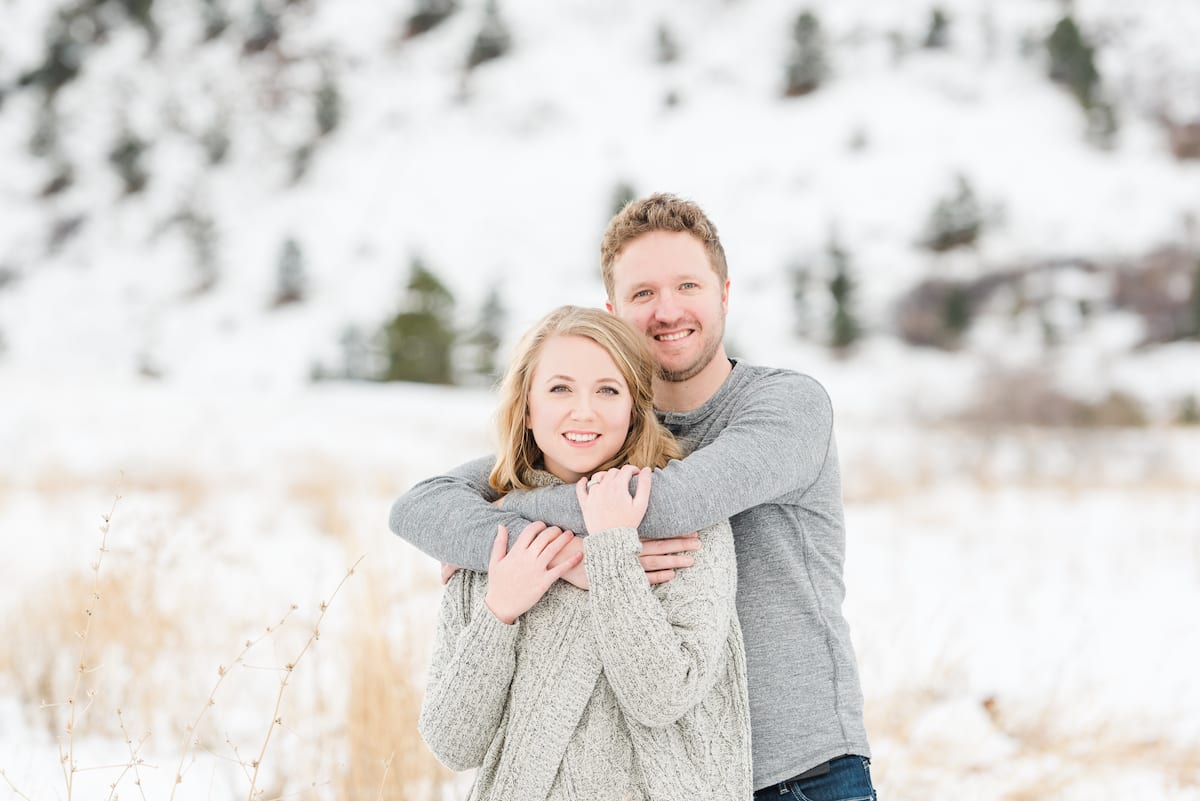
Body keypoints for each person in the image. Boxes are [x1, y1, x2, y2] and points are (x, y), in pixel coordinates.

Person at [392, 193, 875, 799]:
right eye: (643, 292)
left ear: (724, 293)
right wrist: (513, 556)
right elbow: (422, 505)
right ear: (615, 311)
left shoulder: (785, 407)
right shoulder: (603, 430)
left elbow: (663, 506)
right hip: (669, 775)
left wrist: (506, 531)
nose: (667, 310)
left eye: (688, 285)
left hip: (801, 771)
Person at [417, 305, 752, 800]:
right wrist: (499, 612)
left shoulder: (684, 528)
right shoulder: (491, 532)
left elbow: (661, 698)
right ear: (527, 408)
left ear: (634, 408)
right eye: (560, 389)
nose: (584, 411)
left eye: (608, 390)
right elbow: (453, 744)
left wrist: (612, 553)